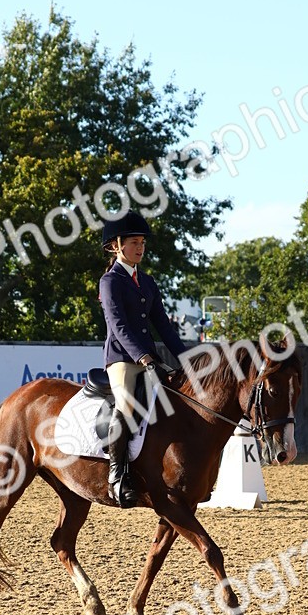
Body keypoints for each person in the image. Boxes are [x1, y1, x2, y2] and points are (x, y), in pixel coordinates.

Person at [98, 210, 188, 507]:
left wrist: (188, 359)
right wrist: (144, 357)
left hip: (147, 358)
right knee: (126, 406)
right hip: (123, 359)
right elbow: (118, 325)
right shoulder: (110, 281)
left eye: (142, 243)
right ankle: (116, 476)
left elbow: (163, 325)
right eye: (134, 242)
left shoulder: (147, 282)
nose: (140, 248)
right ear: (117, 245)